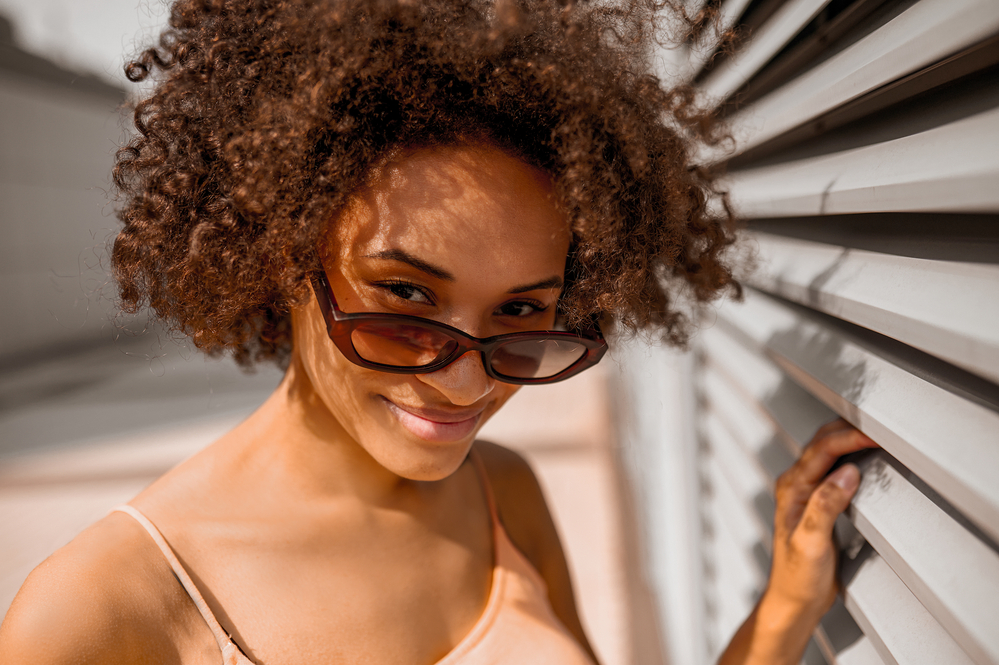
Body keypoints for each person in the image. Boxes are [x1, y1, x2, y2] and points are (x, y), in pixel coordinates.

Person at [0, 1, 877, 663]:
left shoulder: (504, 493)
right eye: (405, 298)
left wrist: (781, 615)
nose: (464, 384)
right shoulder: (97, 611)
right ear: (282, 252)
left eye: (522, 312)